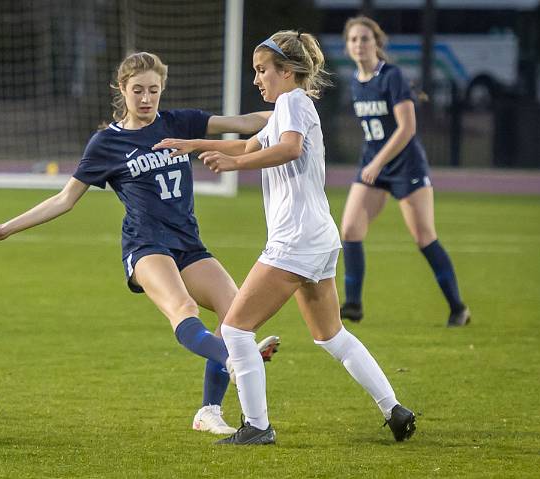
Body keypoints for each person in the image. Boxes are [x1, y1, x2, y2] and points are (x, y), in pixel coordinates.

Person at [0, 52, 280, 436]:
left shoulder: (179, 122)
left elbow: (249, 122)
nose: (147, 98)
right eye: (138, 90)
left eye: (154, 90)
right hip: (145, 246)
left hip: (188, 244)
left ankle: (208, 411)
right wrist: (6, 227)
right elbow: (64, 199)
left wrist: (295, 106)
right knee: (183, 309)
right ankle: (235, 361)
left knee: (234, 313)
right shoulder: (106, 143)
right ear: (122, 89)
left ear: (162, 89)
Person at [154, 30, 416, 445]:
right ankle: (395, 409)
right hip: (317, 236)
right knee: (331, 336)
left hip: (294, 239)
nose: (257, 80)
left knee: (237, 330)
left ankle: (257, 426)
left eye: (262, 71)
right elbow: (248, 145)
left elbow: (290, 149)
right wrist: (192, 144)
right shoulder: (287, 109)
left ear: (288, 72)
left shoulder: (293, 102)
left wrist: (232, 166)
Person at [339, 16, 470, 327]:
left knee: (424, 237)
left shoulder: (392, 76)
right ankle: (353, 305)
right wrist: (373, 163)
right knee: (349, 231)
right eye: (354, 39)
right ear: (347, 46)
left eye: (365, 39)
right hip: (374, 166)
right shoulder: (357, 81)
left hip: (405, 167)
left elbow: (407, 128)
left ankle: (458, 308)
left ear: (377, 43)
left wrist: (378, 162)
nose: (359, 44)